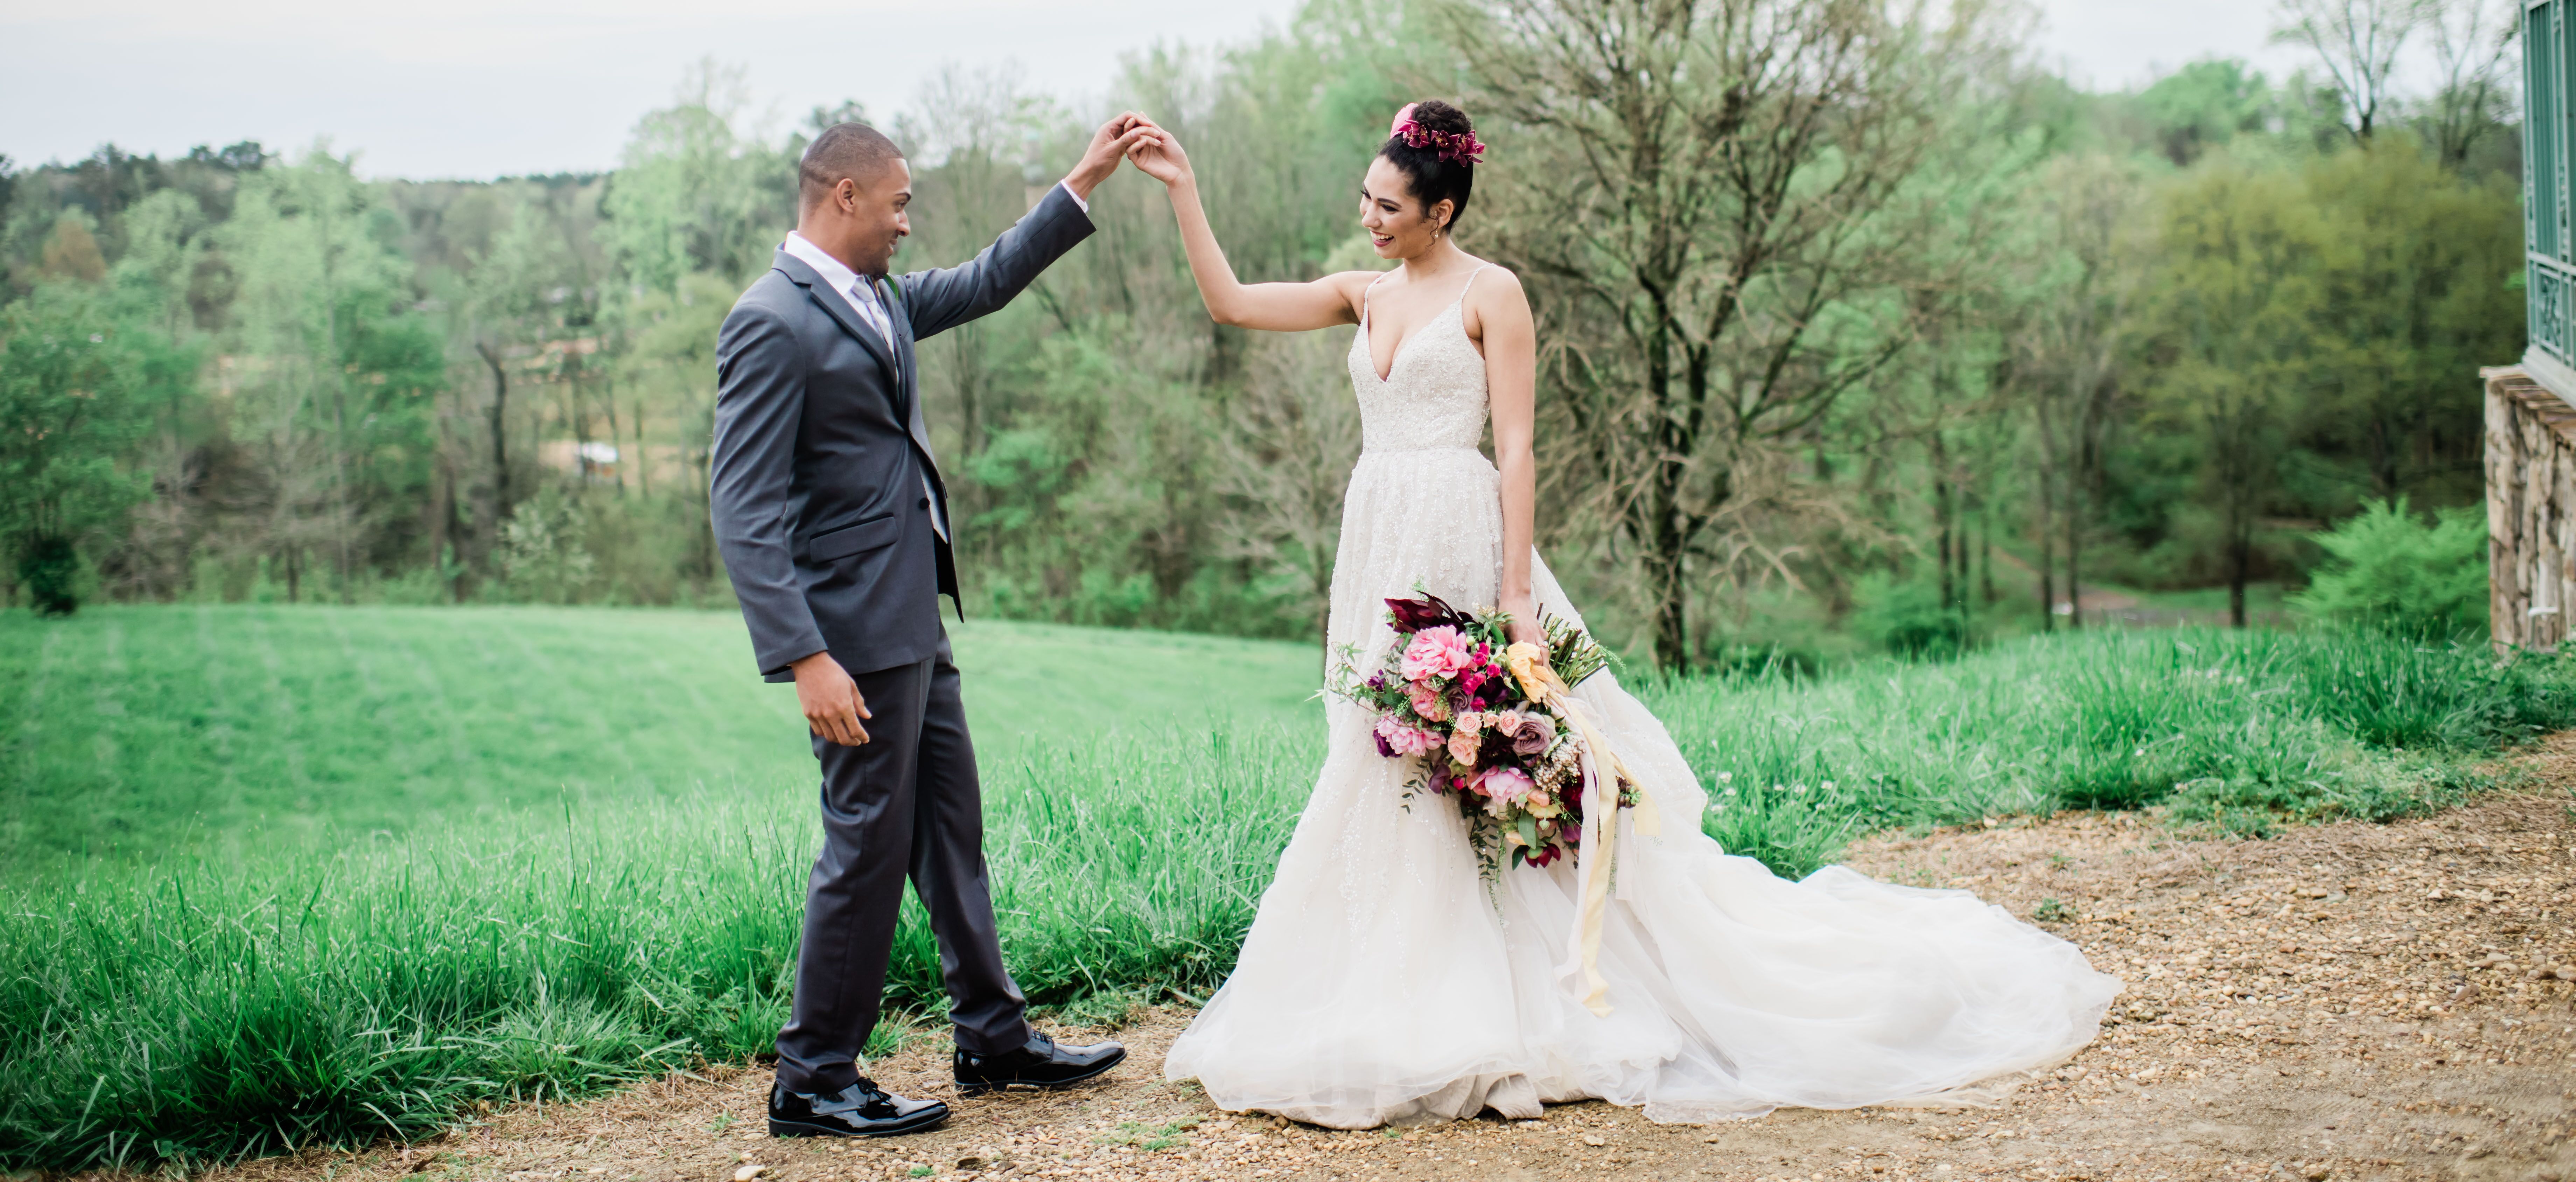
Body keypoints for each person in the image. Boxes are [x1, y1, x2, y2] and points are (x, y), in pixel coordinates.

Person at [1127, 99, 2120, 1127]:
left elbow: (1516, 446)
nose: (1369, 218)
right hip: (1376, 537)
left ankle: (1518, 996)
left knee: (1467, 754)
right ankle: (1400, 987)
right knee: (1380, 753)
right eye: (1365, 201)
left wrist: (1516, 596)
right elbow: (1233, 303)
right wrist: (1184, 191)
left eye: (1388, 206)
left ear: (1443, 209)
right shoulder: (1363, 294)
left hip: (1462, 540)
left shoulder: (1490, 293)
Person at [709, 113, 1151, 1140]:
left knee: (951, 828)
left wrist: (1083, 180)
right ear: (846, 197)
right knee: (866, 848)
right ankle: (814, 1076)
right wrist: (804, 655)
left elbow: (990, 279)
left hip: (916, 617)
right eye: (900, 202)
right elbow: (743, 507)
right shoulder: (772, 319)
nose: (911, 223)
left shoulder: (880, 301)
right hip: (852, 635)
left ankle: (993, 1038)